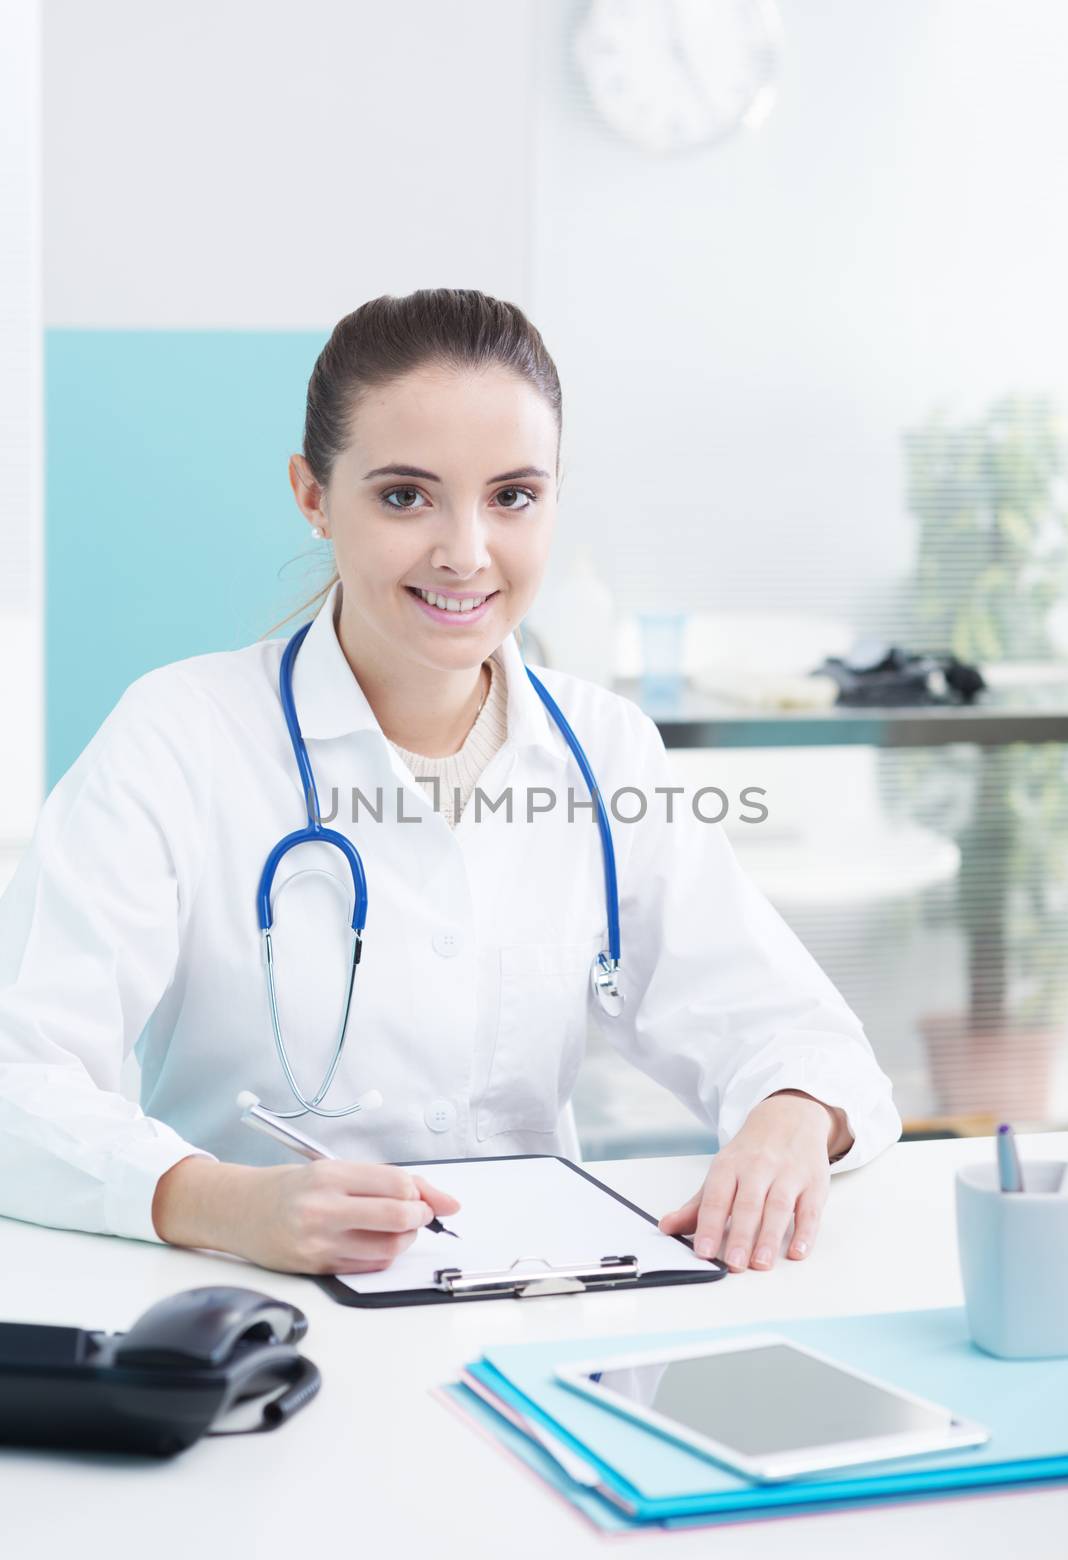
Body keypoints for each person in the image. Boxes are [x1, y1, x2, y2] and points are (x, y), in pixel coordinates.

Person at [0, 288, 900, 1279]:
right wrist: (227, 1201)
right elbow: (19, 1080)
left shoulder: (603, 752)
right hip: (256, 1315)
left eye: (513, 496)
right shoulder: (178, 738)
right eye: (404, 496)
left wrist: (791, 1115)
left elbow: (803, 1035)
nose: (466, 551)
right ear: (311, 494)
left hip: (540, 1317)